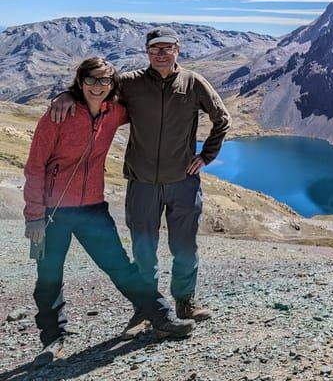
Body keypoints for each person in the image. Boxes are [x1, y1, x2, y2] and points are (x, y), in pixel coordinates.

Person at [50, 26, 231, 337]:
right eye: (155, 48)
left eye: (167, 47)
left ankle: (185, 302)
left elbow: (222, 119)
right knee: (144, 252)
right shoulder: (131, 83)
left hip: (183, 182)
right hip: (142, 183)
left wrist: (206, 156)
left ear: (178, 49)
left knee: (185, 248)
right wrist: (67, 93)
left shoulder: (193, 82)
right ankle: (148, 310)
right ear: (147, 51)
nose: (161, 53)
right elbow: (95, 87)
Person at [24, 57, 195, 367]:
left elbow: (146, 108)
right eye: (91, 80)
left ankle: (162, 318)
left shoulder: (114, 112)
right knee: (48, 276)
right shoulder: (58, 115)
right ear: (80, 81)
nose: (98, 86)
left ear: (112, 85)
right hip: (52, 212)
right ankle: (52, 341)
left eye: (105, 81)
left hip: (92, 208)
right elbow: (35, 167)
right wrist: (34, 216)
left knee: (120, 267)